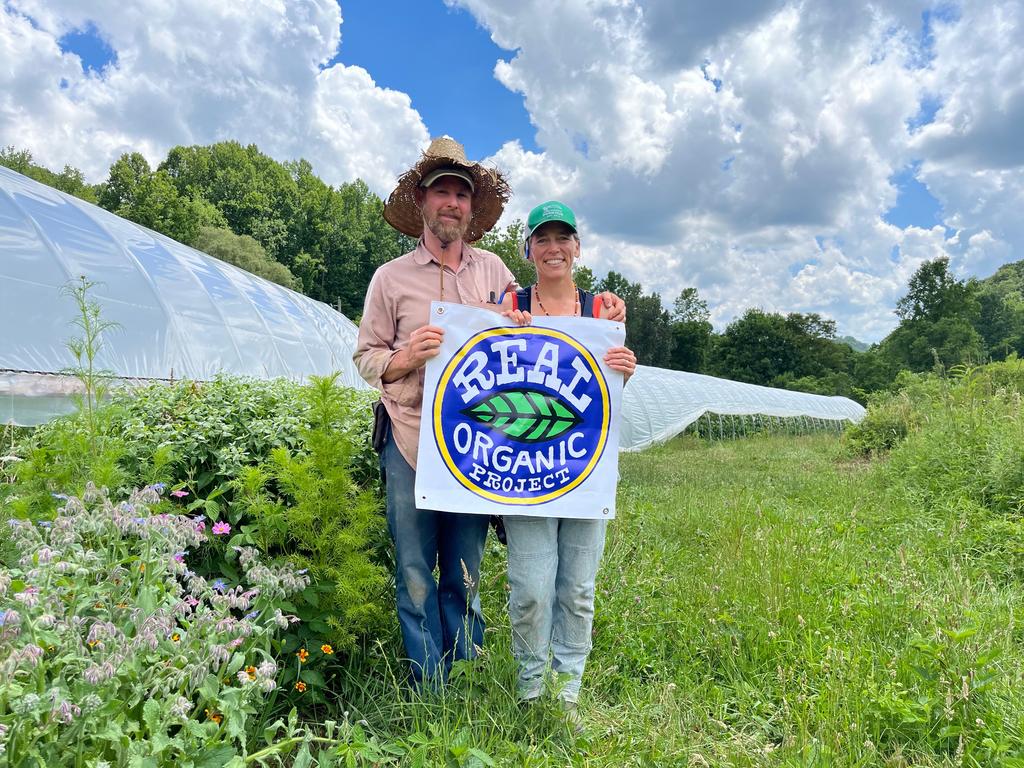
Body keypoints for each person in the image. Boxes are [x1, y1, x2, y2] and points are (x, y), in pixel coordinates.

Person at [354, 139, 624, 686]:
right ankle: (427, 684)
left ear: (471, 208)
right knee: (414, 572)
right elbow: (365, 356)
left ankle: (465, 673)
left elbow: (540, 320)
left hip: (477, 450)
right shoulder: (390, 277)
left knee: (465, 570)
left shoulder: (496, 272)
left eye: (461, 194)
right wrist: (407, 357)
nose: (451, 203)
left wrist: (604, 317)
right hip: (409, 440)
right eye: (441, 192)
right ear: (422, 201)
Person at [501, 200, 636, 718]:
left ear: (577, 247)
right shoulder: (512, 304)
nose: (553, 248)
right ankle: (530, 688)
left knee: (577, 589)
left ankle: (567, 693)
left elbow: (607, 391)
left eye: (563, 238)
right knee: (531, 589)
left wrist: (625, 370)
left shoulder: (602, 312)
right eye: (542, 238)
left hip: (583, 470)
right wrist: (502, 325)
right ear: (528, 249)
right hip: (523, 472)